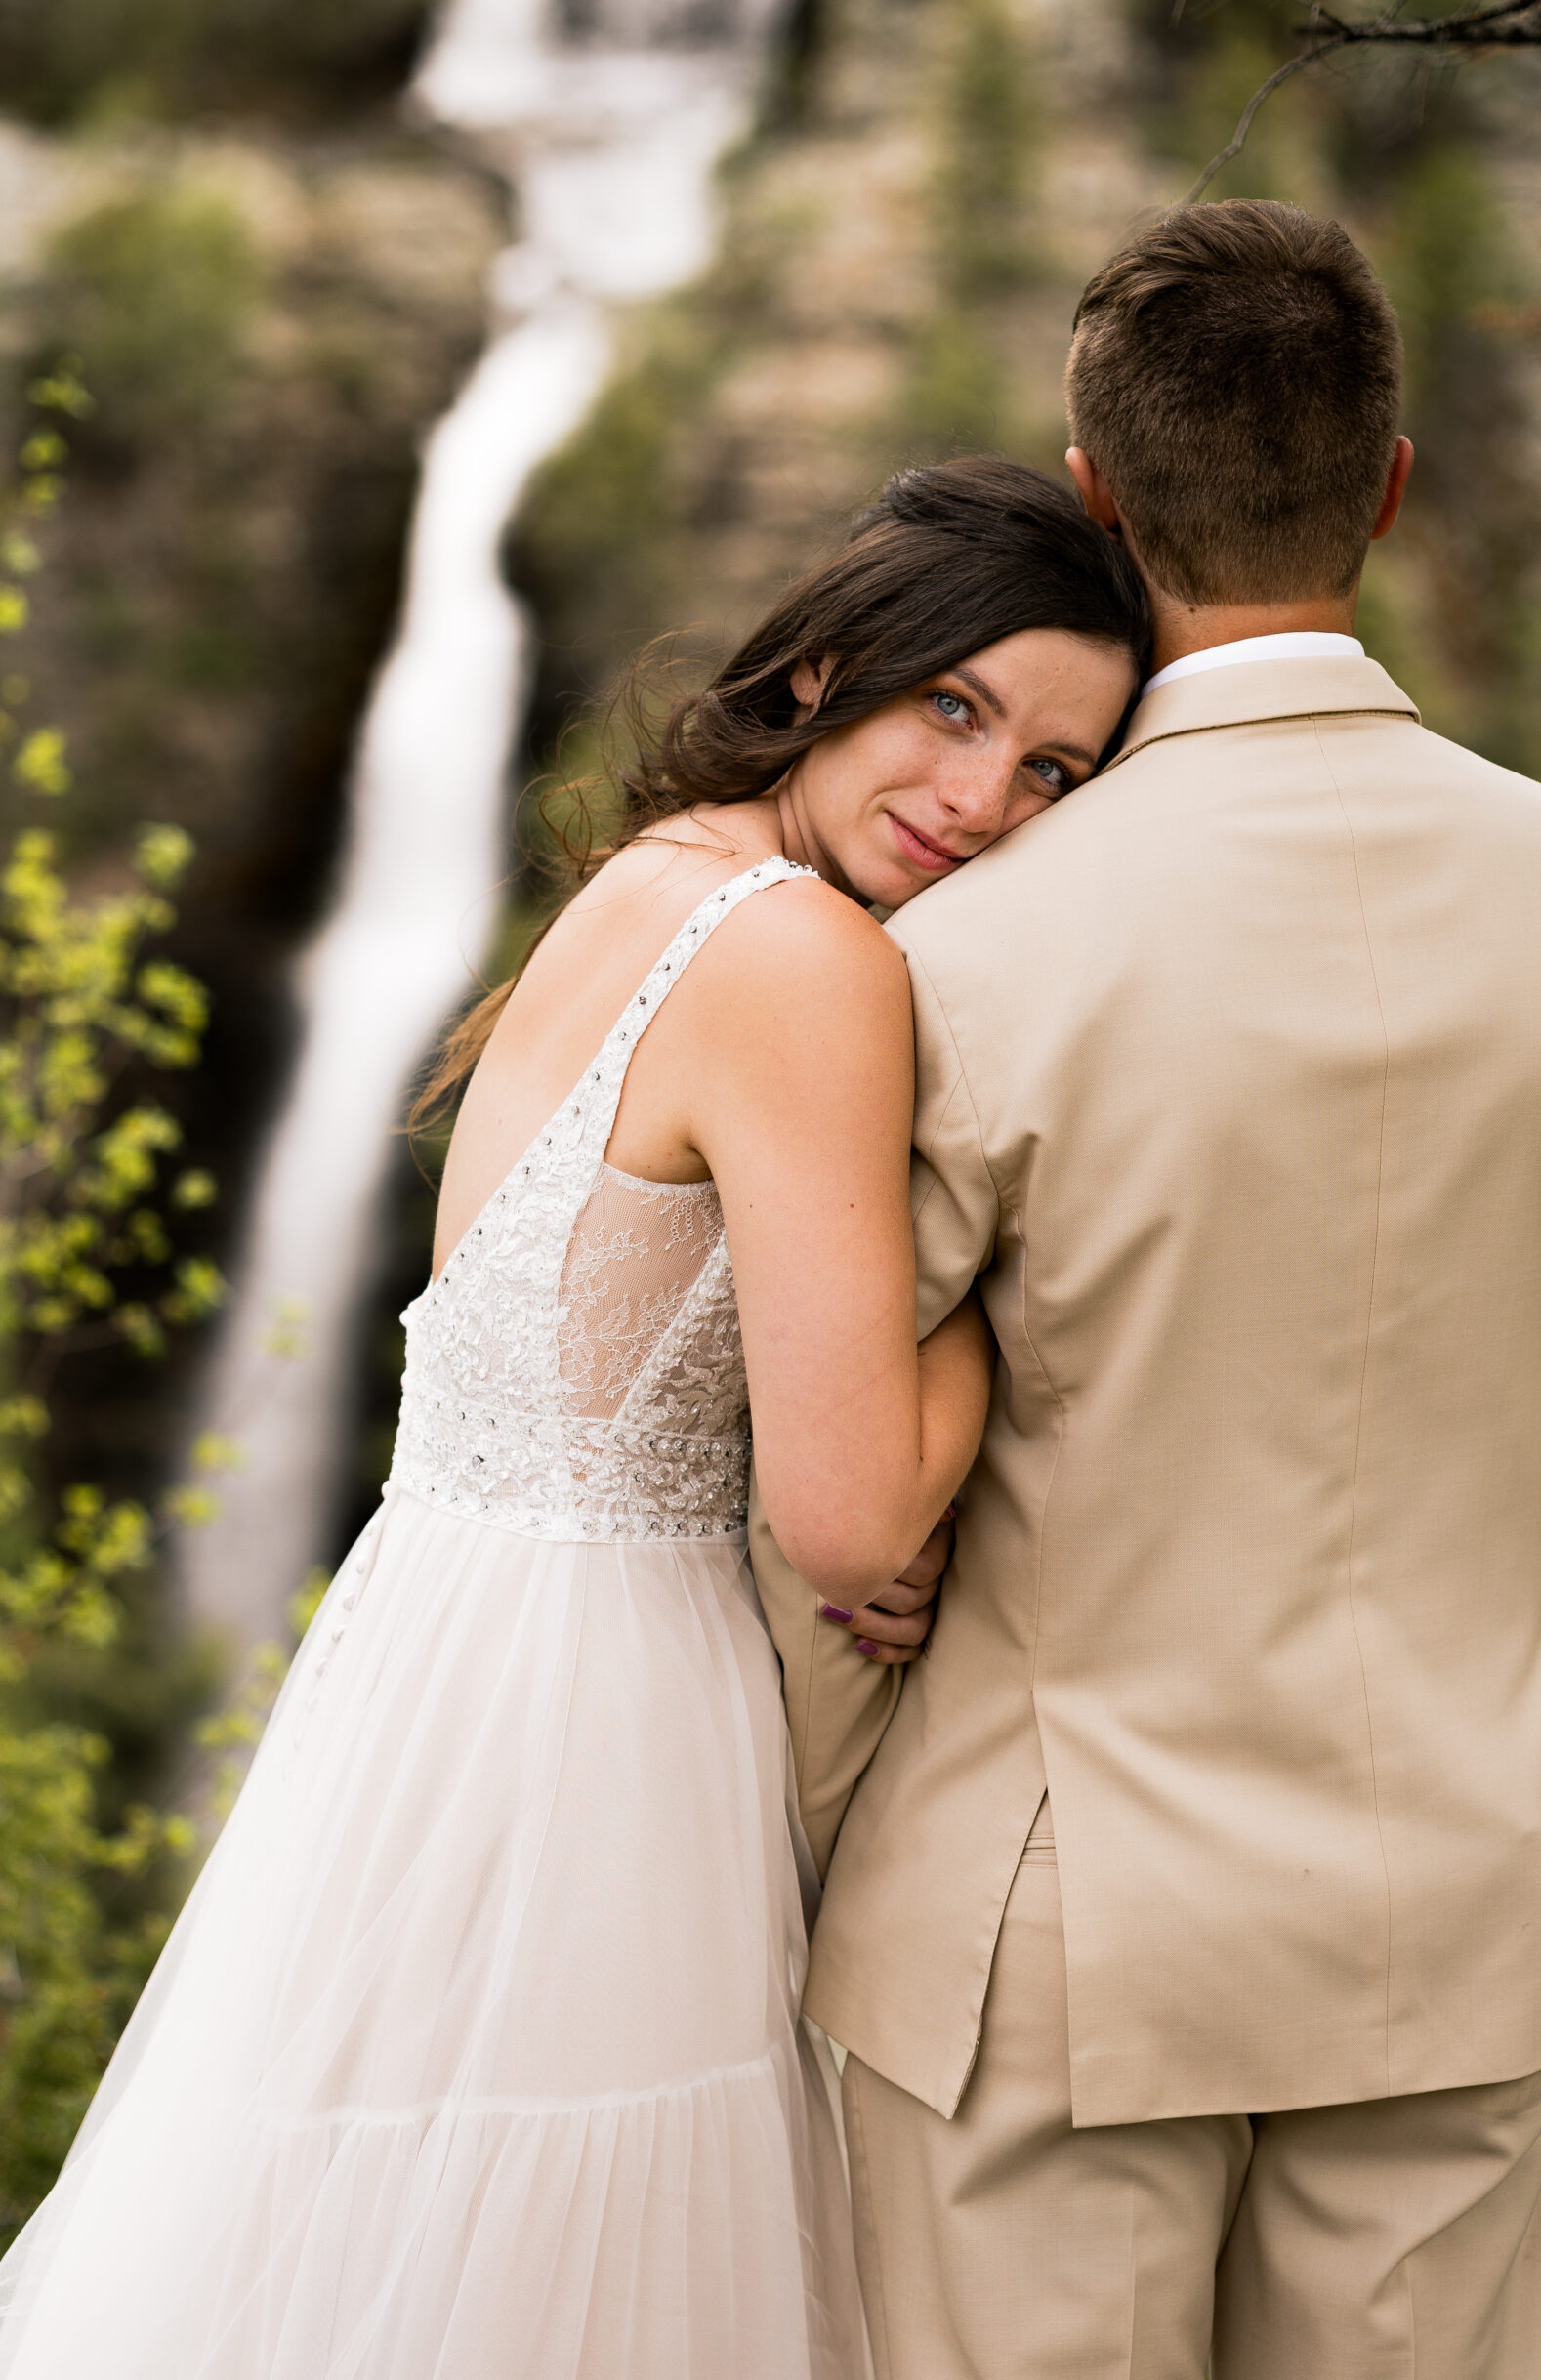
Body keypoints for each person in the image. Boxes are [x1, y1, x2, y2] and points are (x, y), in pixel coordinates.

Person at [0, 458, 1146, 2380]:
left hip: (426, 1647)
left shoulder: (662, 872)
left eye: (1049, 769)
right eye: (957, 706)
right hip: (589, 1710)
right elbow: (852, 1513)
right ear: (832, 662)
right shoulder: (802, 956)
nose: (980, 795)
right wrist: (1017, 1302)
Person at [752, 199, 1541, 2378]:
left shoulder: (967, 947)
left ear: (1096, 499)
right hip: (1477, 1913)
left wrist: (790, 1859)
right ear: (1386, 487)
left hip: (1038, 1945)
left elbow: (817, 1519)